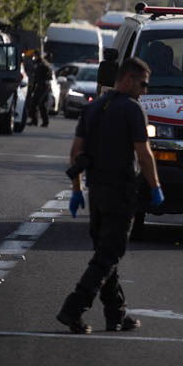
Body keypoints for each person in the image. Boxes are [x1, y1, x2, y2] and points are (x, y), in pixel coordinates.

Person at [57, 57, 163, 334]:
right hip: (120, 191)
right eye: (143, 84)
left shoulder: (94, 108)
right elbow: (144, 152)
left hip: (97, 191)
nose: (145, 91)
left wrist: (77, 190)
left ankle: (116, 313)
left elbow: (76, 152)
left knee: (106, 253)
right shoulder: (132, 109)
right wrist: (155, 187)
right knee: (109, 255)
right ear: (127, 79)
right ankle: (74, 308)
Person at [28, 52, 53, 127]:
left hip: (44, 86)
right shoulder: (37, 64)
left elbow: (49, 75)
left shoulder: (43, 64)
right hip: (39, 86)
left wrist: (44, 80)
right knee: (33, 103)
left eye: (35, 56)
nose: (34, 58)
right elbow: (35, 77)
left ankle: (45, 122)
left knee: (41, 103)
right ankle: (34, 121)